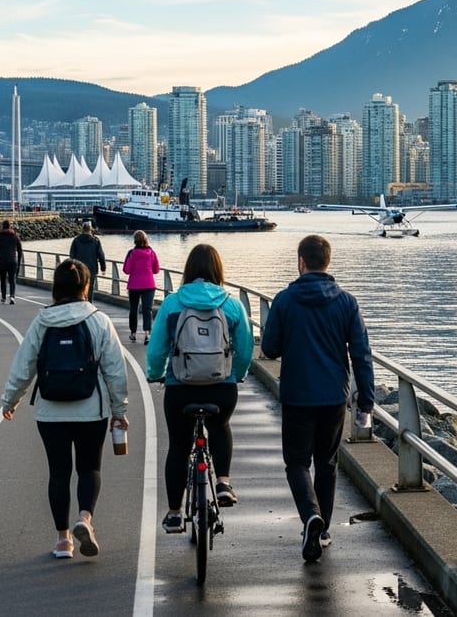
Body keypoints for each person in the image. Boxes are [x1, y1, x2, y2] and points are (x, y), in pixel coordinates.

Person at [2, 259, 128, 559]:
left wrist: (11, 400)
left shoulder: (42, 321)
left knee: (58, 473)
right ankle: (84, 518)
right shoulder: (98, 320)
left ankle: (62, 541)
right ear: (86, 286)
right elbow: (115, 370)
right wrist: (119, 409)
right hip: (91, 410)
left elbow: (24, 366)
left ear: (55, 287)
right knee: (89, 468)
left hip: (50, 411)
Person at [260, 234, 375, 562]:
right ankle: (322, 529)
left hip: (297, 395)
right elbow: (362, 355)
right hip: (333, 398)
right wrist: (365, 401)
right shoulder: (347, 302)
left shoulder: (284, 300)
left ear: (300, 262)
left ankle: (311, 516)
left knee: (297, 462)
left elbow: (269, 348)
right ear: (328, 261)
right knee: (326, 462)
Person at [146, 243, 253, 533]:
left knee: (179, 448)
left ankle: (173, 512)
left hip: (181, 388)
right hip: (222, 387)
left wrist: (155, 374)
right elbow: (245, 348)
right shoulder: (231, 304)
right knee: (221, 426)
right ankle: (223, 482)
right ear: (218, 270)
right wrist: (238, 374)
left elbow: (156, 349)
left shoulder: (172, 303)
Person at [122, 230, 160, 343]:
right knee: (147, 310)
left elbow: (126, 270)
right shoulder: (151, 252)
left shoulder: (131, 253)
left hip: (134, 285)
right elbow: (156, 270)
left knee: (133, 309)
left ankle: (133, 333)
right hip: (149, 285)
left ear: (135, 240)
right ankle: (147, 334)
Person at [69, 221, 106, 299]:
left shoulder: (76, 240)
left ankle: (79, 304)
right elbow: (101, 255)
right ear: (91, 229)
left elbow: (72, 256)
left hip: (79, 269)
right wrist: (103, 268)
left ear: (82, 229)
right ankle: (88, 305)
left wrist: (72, 268)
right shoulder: (95, 241)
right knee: (90, 289)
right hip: (91, 269)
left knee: (79, 288)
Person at [0, 220, 23, 304]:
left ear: (2, 227)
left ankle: (3, 297)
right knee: (12, 280)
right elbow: (20, 251)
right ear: (10, 227)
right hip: (12, 261)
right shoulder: (15, 236)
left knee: (3, 280)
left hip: (2, 261)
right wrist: (18, 263)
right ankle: (12, 297)